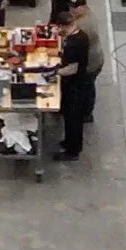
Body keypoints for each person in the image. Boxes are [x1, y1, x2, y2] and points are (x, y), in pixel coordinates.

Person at [54, 10, 89, 162]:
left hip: (75, 86)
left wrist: (55, 73)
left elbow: (72, 69)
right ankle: (69, 142)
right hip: (75, 83)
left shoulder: (75, 44)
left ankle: (72, 151)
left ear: (64, 26)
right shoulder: (79, 35)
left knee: (73, 119)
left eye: (59, 27)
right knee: (69, 117)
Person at [72, 2, 104, 122]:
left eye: (74, 8)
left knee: (86, 88)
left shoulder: (83, 26)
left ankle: (86, 114)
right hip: (95, 60)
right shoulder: (87, 14)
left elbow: (75, 47)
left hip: (90, 64)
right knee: (87, 87)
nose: (71, 11)